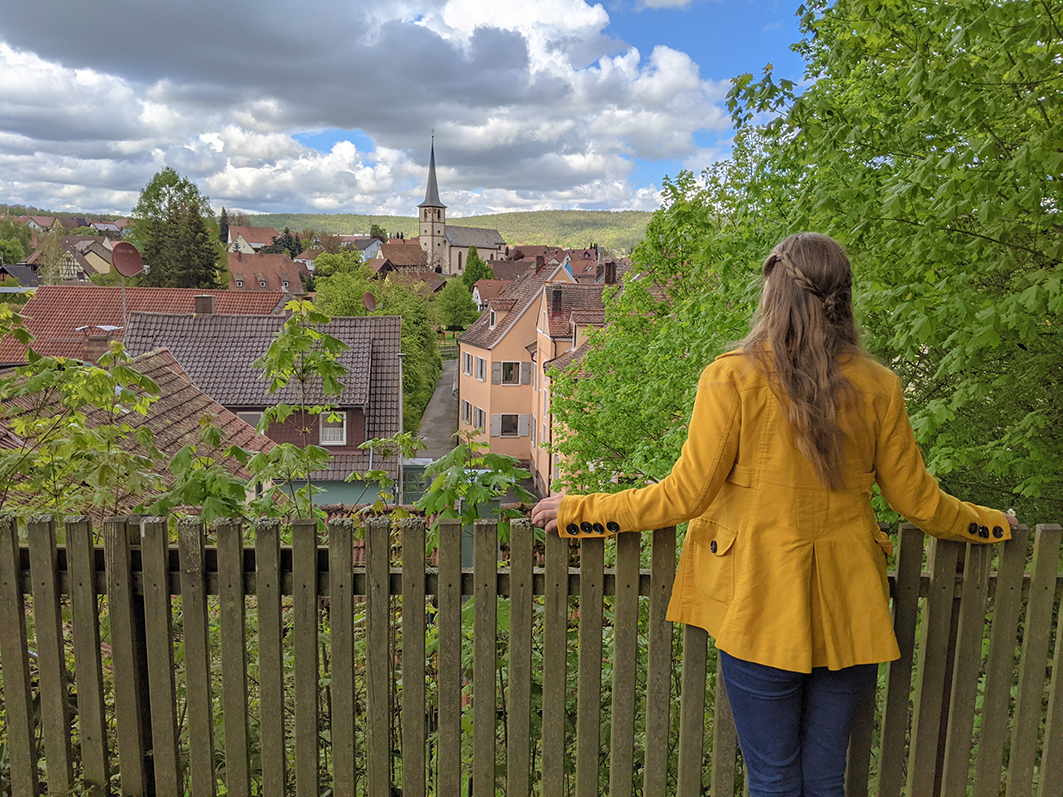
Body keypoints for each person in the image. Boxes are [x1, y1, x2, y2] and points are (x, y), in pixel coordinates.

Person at [531, 232, 1017, 797]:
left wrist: (580, 510)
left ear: (773, 292)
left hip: (760, 605)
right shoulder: (878, 385)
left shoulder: (731, 377)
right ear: (843, 297)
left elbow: (684, 494)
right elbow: (919, 502)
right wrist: (993, 524)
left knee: (772, 778)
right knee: (824, 778)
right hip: (849, 608)